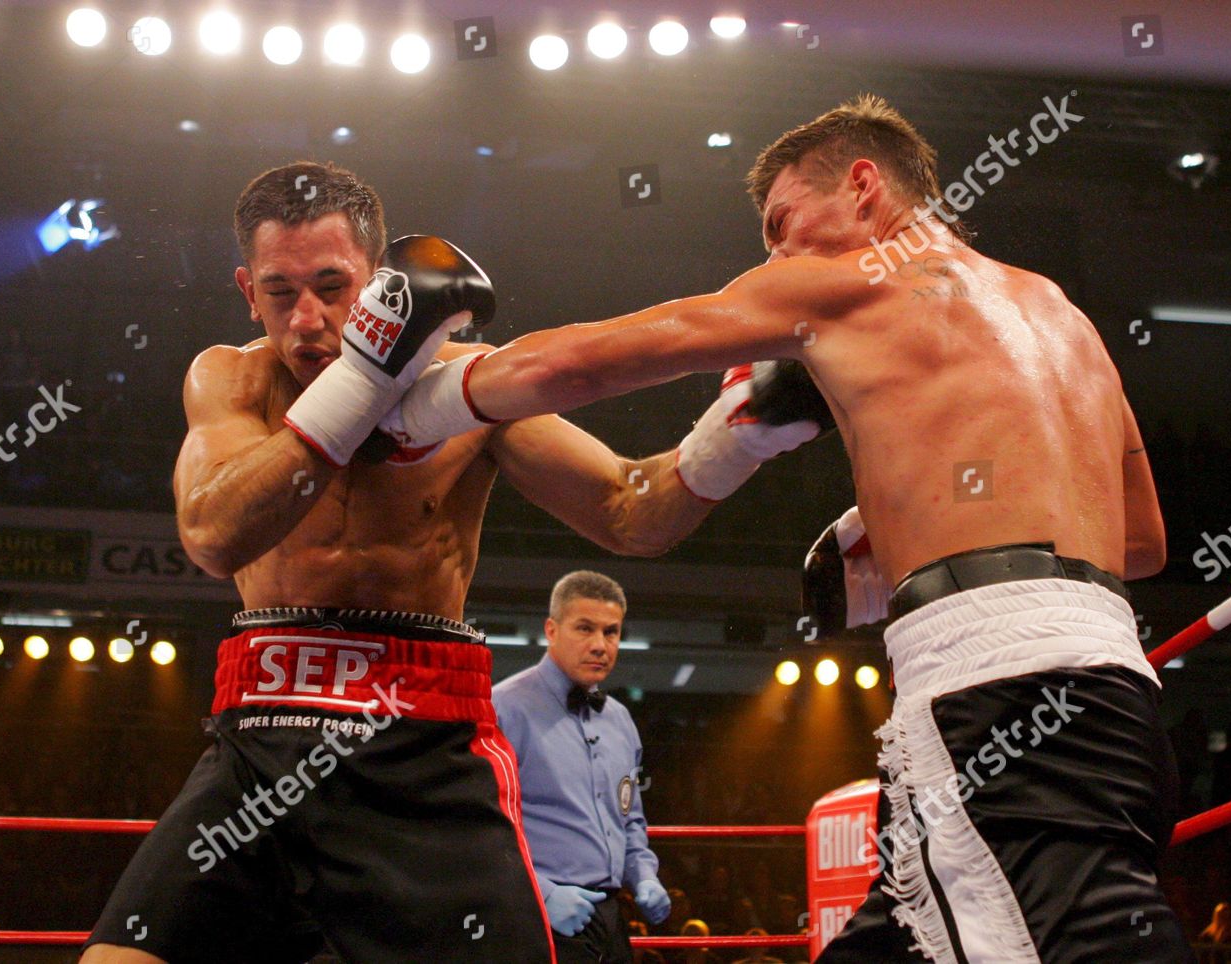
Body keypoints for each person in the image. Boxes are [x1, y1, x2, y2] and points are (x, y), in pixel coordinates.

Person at [383, 93, 1186, 961]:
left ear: (864, 185)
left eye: (782, 222)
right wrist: (905, 517)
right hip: (1119, 689)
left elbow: (583, 363)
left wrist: (413, 408)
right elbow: (1142, 541)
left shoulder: (842, 286)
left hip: (999, 692)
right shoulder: (1058, 309)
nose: (773, 253)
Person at [80, 161, 824, 964]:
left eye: (333, 287)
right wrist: (361, 382)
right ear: (244, 291)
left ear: (381, 284)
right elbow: (213, 532)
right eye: (279, 291)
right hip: (260, 742)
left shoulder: (468, 387)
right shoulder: (230, 378)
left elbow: (626, 509)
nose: (306, 319)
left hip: (423, 752)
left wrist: (738, 434)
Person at [493, 571, 671, 963]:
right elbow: (481, 824)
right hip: (537, 914)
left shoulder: (620, 721)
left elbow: (630, 819)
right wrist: (542, 894)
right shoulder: (504, 708)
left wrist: (643, 874)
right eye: (584, 629)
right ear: (551, 630)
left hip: (610, 917)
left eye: (611, 632)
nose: (599, 645)